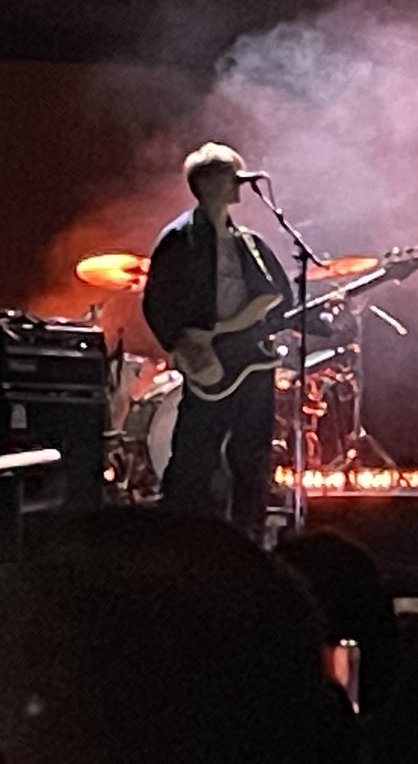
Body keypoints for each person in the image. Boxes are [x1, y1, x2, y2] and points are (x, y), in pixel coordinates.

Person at [142, 142, 293, 539]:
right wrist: (186, 346)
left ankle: (249, 539)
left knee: (252, 456)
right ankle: (180, 538)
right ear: (207, 182)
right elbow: (157, 301)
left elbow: (282, 298)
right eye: (231, 175)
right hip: (210, 362)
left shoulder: (248, 242)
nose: (240, 183)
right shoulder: (180, 238)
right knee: (195, 454)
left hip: (252, 362)